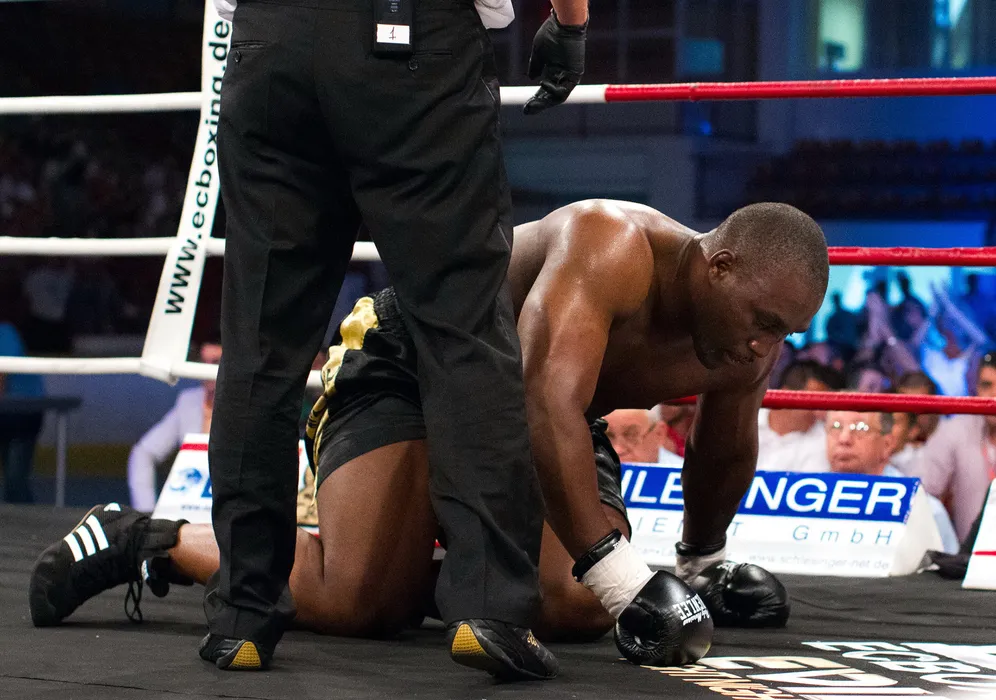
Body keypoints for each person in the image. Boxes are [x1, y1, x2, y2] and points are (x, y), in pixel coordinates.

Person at [30, 199, 825, 669]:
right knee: (362, 600)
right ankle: (152, 539)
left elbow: (721, 450)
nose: (767, 345)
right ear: (718, 265)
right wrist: (626, 579)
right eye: (763, 321)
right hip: (414, 364)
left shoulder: (745, 340)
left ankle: (438, 561)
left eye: (785, 331)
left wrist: (700, 565)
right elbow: (541, 398)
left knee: (574, 604)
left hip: (540, 405)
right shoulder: (611, 245)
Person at [204, 0, 589, 678]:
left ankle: (242, 617)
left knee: (260, 345)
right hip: (414, 45)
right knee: (463, 330)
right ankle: (490, 607)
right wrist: (571, 22)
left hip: (271, 45)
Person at [824, 410, 958, 554]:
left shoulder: (922, 509)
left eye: (861, 428)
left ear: (887, 444)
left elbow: (948, 565)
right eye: (836, 426)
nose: (844, 439)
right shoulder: (807, 498)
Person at [906, 351, 996, 543]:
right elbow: (920, 491)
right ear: (976, 388)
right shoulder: (957, 429)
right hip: (970, 555)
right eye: (987, 385)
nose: (993, 395)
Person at [127, 343, 223, 512]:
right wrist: (146, 512)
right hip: (189, 507)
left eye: (215, 362)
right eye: (203, 362)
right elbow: (143, 453)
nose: (207, 370)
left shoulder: (246, 406)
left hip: (229, 509)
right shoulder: (188, 402)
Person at [0, 282, 45, 503]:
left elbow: (1, 378)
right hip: (7, 413)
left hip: (23, 414)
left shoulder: (5, 332)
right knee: (12, 480)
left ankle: (27, 521)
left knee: (15, 480)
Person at [756, 360, 839, 473]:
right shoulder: (746, 423)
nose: (819, 412)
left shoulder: (823, 440)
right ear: (786, 395)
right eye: (814, 402)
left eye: (823, 404)